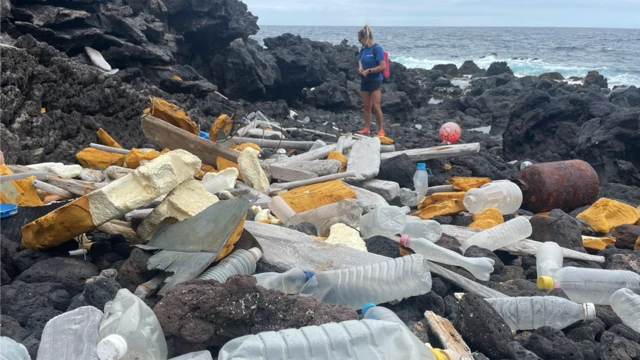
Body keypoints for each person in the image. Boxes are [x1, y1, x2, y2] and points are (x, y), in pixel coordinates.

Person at [357, 25, 386, 136]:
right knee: (366, 106)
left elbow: (382, 66)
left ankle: (381, 129)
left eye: (360, 40)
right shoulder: (363, 49)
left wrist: (369, 70)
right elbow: (360, 59)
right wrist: (360, 67)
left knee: (376, 106)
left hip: (375, 80)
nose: (359, 42)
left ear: (365, 38)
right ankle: (366, 128)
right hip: (365, 80)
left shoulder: (377, 48)